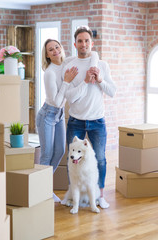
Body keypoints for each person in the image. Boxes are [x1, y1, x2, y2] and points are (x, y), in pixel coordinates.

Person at [62, 26, 116, 209]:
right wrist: (85, 80)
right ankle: (73, 196)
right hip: (76, 120)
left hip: (97, 121)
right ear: (75, 44)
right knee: (73, 159)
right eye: (80, 41)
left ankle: (100, 196)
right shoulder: (69, 65)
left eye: (87, 41)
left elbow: (113, 92)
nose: (83, 44)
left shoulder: (102, 65)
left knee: (100, 158)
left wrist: (100, 79)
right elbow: (70, 97)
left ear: (92, 43)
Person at [36, 39, 78, 202]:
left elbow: (84, 58)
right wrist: (67, 81)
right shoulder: (50, 73)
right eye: (50, 50)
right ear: (47, 55)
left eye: (57, 47)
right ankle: (42, 191)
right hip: (47, 114)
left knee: (60, 150)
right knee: (46, 154)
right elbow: (58, 101)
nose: (55, 51)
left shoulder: (66, 64)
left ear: (61, 48)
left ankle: (43, 186)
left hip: (59, 115)